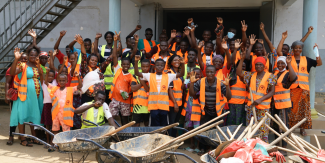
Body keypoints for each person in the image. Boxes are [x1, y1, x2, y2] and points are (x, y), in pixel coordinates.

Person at [278, 38, 322, 136]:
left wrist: (317, 53)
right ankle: (290, 127)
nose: (298, 50)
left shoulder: (306, 59)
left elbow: (319, 63)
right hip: (291, 88)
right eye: (295, 48)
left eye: (299, 48)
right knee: (292, 109)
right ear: (292, 49)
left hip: (304, 89)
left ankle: (302, 128)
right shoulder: (288, 59)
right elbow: (278, 53)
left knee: (303, 110)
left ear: (302, 49)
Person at [134, 54, 185, 126]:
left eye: (161, 65)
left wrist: (182, 63)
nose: (159, 67)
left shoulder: (168, 76)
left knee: (164, 126)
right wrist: (136, 61)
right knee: (154, 126)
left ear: (164, 67)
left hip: (164, 107)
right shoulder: (150, 75)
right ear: (154, 66)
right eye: (157, 65)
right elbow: (137, 73)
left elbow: (181, 74)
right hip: (153, 107)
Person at [237, 54, 276, 143]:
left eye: (260, 64)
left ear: (264, 66)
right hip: (252, 107)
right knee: (251, 129)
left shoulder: (271, 76)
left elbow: (272, 92)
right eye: (257, 64)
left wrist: (260, 99)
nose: (258, 66)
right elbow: (239, 72)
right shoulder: (251, 75)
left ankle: (263, 149)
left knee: (263, 129)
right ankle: (252, 148)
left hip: (263, 109)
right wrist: (242, 59)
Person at [10, 46, 44, 147]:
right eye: (31, 55)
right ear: (28, 56)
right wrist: (16, 59)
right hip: (24, 95)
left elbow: (41, 79)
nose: (33, 57)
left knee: (32, 116)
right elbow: (12, 73)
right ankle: (23, 138)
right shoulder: (22, 65)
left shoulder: (38, 66)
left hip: (36, 96)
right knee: (22, 115)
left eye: (35, 55)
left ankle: (34, 137)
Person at [271, 56, 297, 156]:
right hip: (275, 105)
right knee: (275, 126)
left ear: (285, 64)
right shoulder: (275, 74)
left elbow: (294, 78)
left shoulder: (287, 74)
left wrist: (289, 64)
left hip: (284, 106)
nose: (280, 65)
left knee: (284, 127)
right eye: (279, 63)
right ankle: (276, 147)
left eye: (283, 63)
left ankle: (284, 149)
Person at [46, 69, 82, 134]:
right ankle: (55, 143)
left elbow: (80, 86)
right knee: (55, 130)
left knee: (66, 131)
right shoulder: (55, 89)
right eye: (60, 81)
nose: (61, 82)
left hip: (65, 115)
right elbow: (46, 83)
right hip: (56, 114)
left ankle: (65, 143)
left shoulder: (70, 89)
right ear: (58, 81)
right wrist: (47, 73)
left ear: (66, 81)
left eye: (63, 80)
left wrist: (78, 76)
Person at [109, 32, 133, 125]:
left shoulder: (131, 76)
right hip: (115, 99)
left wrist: (128, 93)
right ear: (121, 65)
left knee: (124, 119)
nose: (125, 66)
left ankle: (124, 134)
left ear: (130, 65)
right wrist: (115, 41)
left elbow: (133, 88)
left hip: (125, 100)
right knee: (112, 116)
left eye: (127, 64)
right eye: (124, 64)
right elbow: (114, 56)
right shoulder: (118, 70)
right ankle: (113, 132)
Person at [5, 52, 28, 146]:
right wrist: (7, 95)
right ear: (18, 59)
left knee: (22, 116)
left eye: (25, 59)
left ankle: (20, 135)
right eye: (22, 58)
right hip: (14, 96)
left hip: (23, 96)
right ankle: (11, 136)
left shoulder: (27, 69)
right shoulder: (12, 69)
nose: (23, 60)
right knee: (14, 116)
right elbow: (7, 83)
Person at [182, 68, 202, 152]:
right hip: (189, 110)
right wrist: (187, 77)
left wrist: (192, 83)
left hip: (197, 111)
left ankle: (198, 146)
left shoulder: (202, 83)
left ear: (201, 75)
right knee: (190, 127)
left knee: (198, 129)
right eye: (193, 74)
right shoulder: (190, 83)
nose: (196, 76)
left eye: (198, 74)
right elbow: (183, 87)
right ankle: (192, 145)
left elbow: (195, 96)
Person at [167, 54, 184, 136]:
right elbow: (169, 89)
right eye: (175, 60)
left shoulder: (180, 73)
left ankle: (174, 139)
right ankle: (170, 141)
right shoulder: (169, 73)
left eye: (178, 60)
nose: (177, 61)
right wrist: (175, 104)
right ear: (171, 63)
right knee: (171, 123)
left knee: (176, 123)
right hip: (172, 103)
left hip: (179, 103)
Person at [131, 59, 151, 127]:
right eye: (143, 66)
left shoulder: (151, 76)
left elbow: (149, 90)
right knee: (136, 124)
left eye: (147, 66)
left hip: (148, 105)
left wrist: (141, 82)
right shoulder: (135, 76)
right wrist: (143, 83)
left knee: (147, 123)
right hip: (137, 105)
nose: (145, 68)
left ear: (149, 66)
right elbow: (133, 88)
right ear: (141, 66)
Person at [41, 68, 56, 145]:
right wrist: (46, 73)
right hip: (47, 104)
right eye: (48, 76)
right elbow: (46, 80)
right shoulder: (44, 83)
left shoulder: (55, 83)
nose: (50, 77)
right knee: (47, 125)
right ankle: (47, 141)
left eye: (52, 76)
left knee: (53, 124)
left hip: (54, 105)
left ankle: (52, 141)